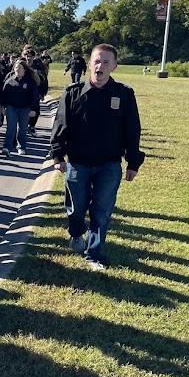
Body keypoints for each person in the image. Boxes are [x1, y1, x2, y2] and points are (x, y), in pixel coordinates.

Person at [50, 44, 144, 271]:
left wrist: (133, 162)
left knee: (101, 212)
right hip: (78, 163)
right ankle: (75, 233)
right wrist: (57, 155)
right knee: (76, 209)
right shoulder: (72, 93)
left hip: (109, 165)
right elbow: (60, 125)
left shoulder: (124, 94)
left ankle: (94, 254)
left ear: (114, 66)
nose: (100, 66)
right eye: (96, 61)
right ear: (89, 63)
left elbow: (132, 130)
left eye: (105, 62)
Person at [1, 58, 39, 156]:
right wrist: (3, 107)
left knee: (22, 128)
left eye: (20, 68)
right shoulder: (10, 80)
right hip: (11, 107)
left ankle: (21, 147)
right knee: (11, 128)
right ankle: (7, 147)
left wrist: (33, 109)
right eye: (16, 68)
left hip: (25, 108)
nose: (17, 69)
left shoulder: (30, 82)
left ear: (24, 70)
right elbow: (3, 95)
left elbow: (34, 97)